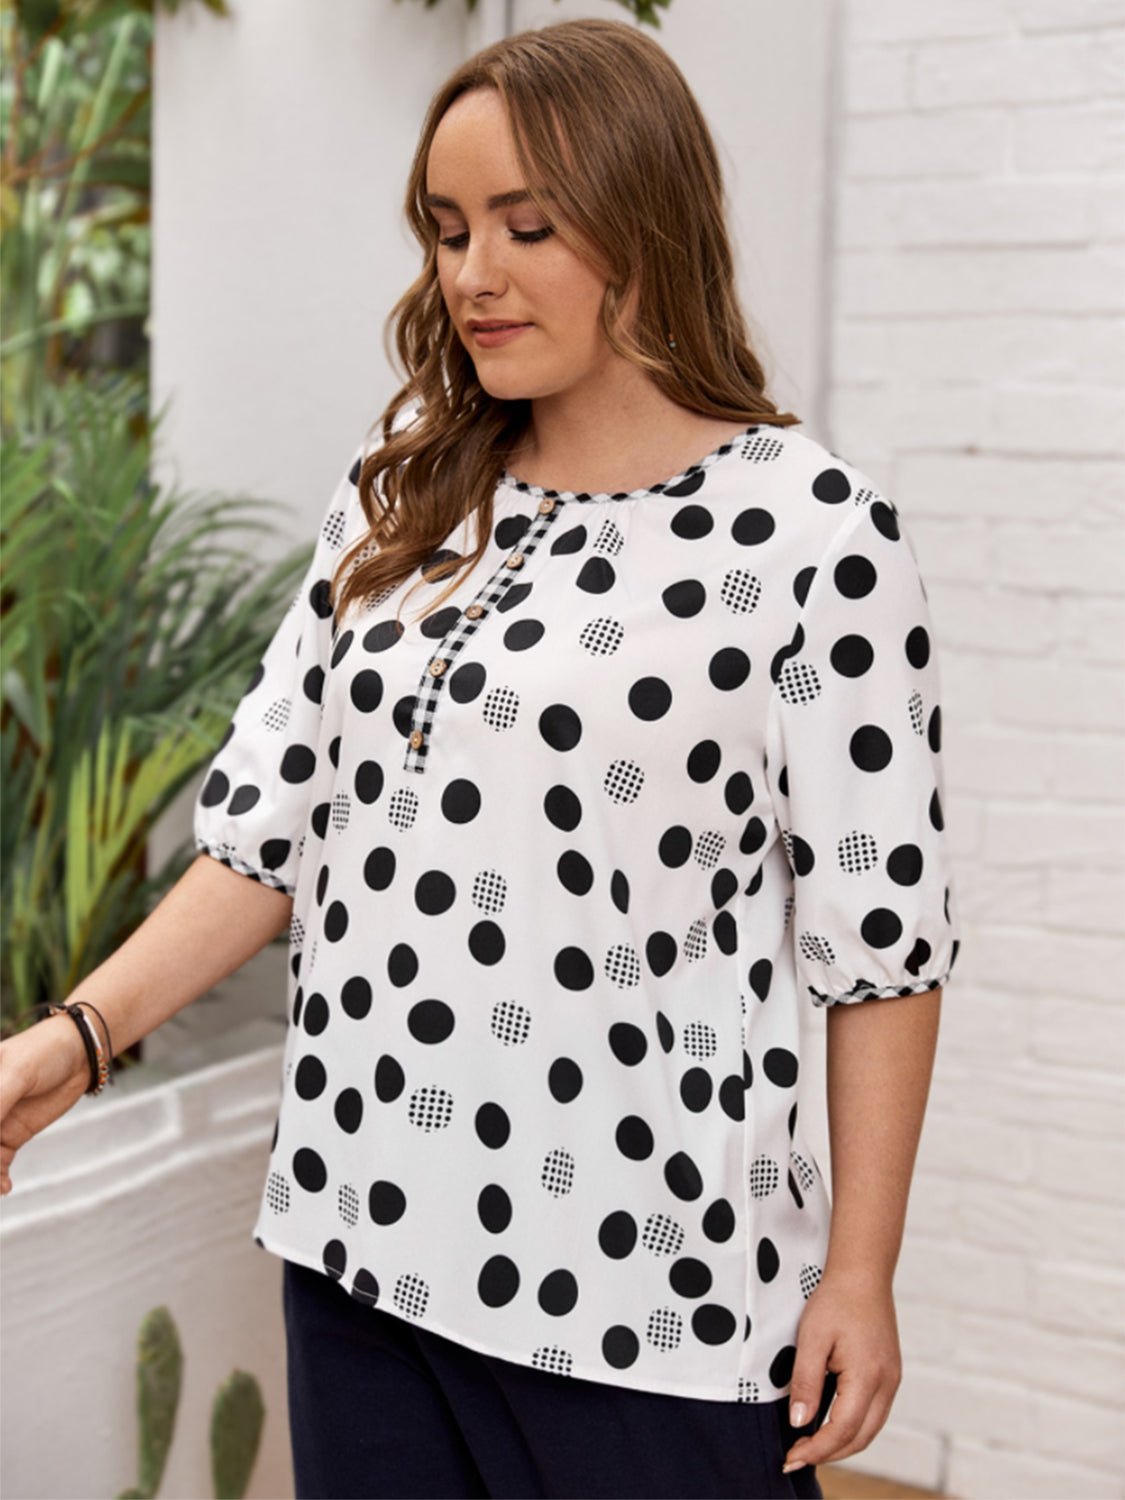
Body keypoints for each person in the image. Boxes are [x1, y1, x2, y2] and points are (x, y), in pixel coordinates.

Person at [0, 17, 961, 1500]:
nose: (473, 275)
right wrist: (71, 1041)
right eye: (448, 231)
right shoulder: (409, 482)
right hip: (361, 1235)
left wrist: (861, 1271)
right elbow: (269, 832)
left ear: (645, 222)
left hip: (651, 1288)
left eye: (528, 225)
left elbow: (879, 939)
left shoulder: (810, 533)